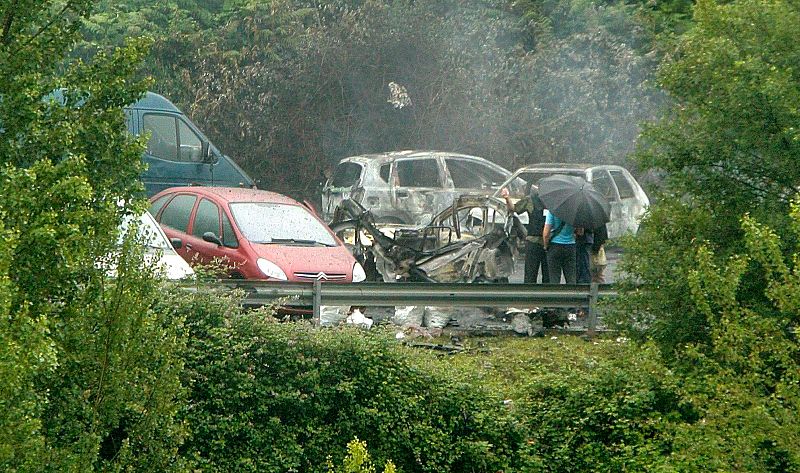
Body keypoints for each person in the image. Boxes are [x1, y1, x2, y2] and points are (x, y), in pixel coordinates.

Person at [501, 187, 549, 283]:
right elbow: (513, 209)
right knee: (531, 276)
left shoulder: (553, 201)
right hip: (535, 241)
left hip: (548, 243)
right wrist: (507, 198)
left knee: (547, 277)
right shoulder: (530, 200)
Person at [542, 209, 576, 284]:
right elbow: (580, 231)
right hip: (570, 246)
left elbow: (546, 233)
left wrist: (545, 246)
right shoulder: (575, 212)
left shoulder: (552, 211)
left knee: (554, 277)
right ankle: (572, 294)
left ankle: (555, 294)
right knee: (571, 277)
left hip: (555, 246)